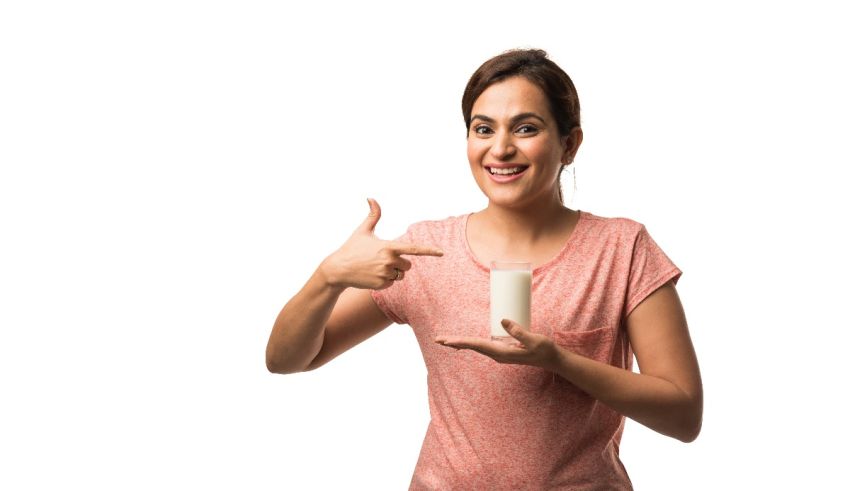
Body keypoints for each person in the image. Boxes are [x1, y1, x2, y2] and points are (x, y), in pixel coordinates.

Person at [266, 48, 703, 490]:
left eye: (526, 128)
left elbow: (684, 415)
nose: (501, 148)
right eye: (483, 129)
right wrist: (327, 278)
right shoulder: (427, 251)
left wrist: (559, 361)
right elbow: (286, 360)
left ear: (569, 144)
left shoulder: (621, 249)